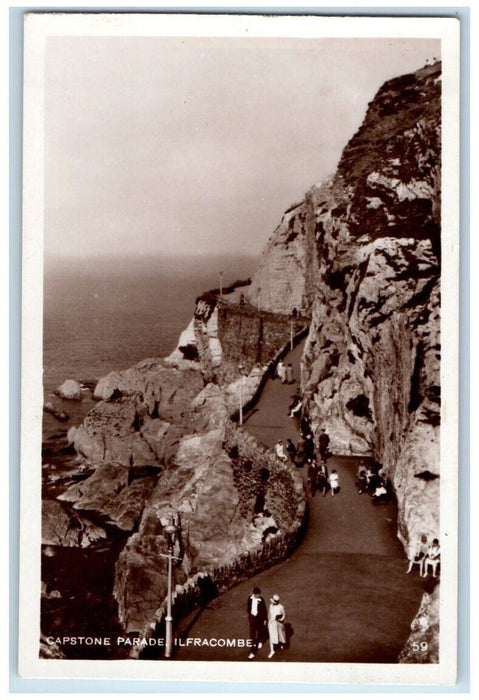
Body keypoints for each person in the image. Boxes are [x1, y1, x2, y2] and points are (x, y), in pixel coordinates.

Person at [247, 587, 268, 659]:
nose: (259, 595)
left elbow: (265, 610)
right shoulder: (250, 598)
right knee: (252, 635)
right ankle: (252, 652)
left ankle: (260, 641)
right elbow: (248, 608)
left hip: (260, 619)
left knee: (260, 631)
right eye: (258, 594)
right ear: (255, 594)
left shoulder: (261, 600)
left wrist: (265, 620)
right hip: (252, 618)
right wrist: (250, 615)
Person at [267, 594, 286, 658]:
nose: (272, 602)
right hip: (271, 623)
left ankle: (281, 644)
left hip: (279, 623)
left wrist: (281, 619)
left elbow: (284, 615)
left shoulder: (281, 607)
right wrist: (268, 621)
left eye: (273, 601)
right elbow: (269, 614)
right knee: (272, 637)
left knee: (280, 635)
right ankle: (272, 651)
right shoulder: (271, 605)